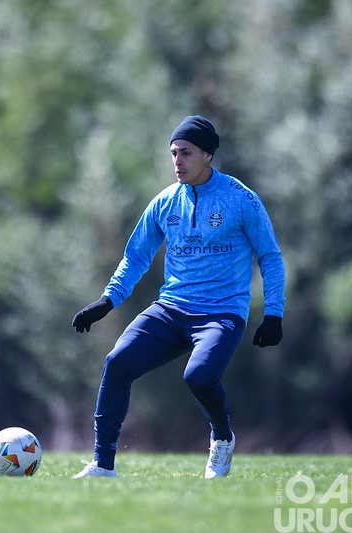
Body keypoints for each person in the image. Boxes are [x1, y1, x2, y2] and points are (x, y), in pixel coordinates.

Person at [71, 115, 285, 479]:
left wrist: (274, 313)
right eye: (173, 153)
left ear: (208, 156)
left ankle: (222, 438)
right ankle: (103, 464)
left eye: (185, 153)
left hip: (221, 314)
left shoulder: (241, 199)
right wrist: (107, 301)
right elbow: (135, 257)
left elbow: (270, 256)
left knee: (199, 376)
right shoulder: (165, 203)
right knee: (117, 361)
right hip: (170, 309)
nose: (177, 162)